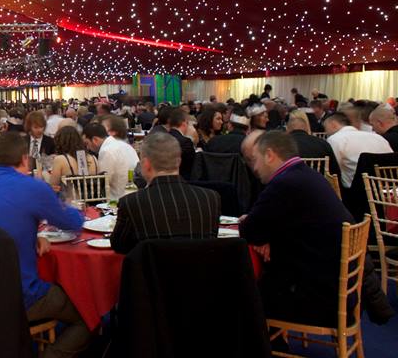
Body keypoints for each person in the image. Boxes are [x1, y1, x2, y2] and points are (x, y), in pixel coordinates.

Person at [0, 132, 90, 358]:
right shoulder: (32, 187)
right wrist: (73, 207)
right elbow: (72, 223)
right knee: (89, 314)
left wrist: (32, 236)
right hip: (19, 295)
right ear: (24, 159)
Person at [239, 130, 358, 326]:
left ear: (269, 155)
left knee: (240, 294)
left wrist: (260, 231)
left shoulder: (284, 184)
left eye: (255, 160)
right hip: (338, 289)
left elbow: (249, 231)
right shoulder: (307, 175)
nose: (255, 168)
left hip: (316, 298)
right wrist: (265, 234)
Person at [110, 132, 220, 254]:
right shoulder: (211, 199)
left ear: (146, 164)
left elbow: (118, 246)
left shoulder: (131, 203)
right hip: (202, 272)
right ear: (178, 162)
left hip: (151, 272)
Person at [323, 112, 392, 188]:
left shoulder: (335, 139)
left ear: (333, 124)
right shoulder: (378, 138)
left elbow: (332, 170)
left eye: (325, 127)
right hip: (387, 191)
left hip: (354, 192)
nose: (326, 131)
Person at [85, 121, 139, 200]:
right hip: (134, 195)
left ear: (95, 140)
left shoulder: (106, 151)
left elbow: (103, 182)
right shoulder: (125, 145)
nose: (87, 148)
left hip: (118, 199)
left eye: (87, 143)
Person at [47, 125, 98, 197]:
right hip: (93, 201)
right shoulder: (93, 158)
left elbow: (53, 186)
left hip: (70, 201)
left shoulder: (60, 159)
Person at [166, 109, 197, 178]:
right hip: (181, 179)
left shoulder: (162, 137)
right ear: (185, 123)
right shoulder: (186, 141)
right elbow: (192, 165)